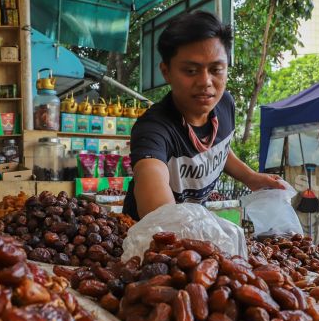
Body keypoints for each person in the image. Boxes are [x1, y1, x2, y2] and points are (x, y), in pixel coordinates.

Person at [122, 11, 284, 221]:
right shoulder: (153, 130)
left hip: (193, 227)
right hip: (148, 240)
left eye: (216, 69)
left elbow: (219, 149)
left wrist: (250, 177)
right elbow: (157, 207)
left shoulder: (225, 104)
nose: (206, 81)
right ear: (166, 72)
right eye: (190, 71)